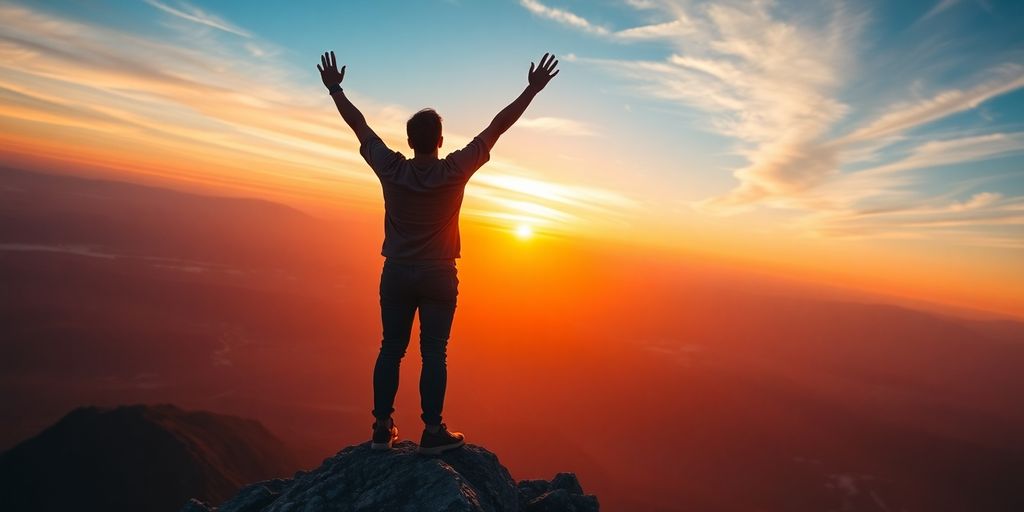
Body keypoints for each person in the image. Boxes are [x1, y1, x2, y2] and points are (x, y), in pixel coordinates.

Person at [317, 50, 560, 454]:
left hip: (396, 272)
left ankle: (381, 429)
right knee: (434, 353)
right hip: (439, 275)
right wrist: (531, 90)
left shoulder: (391, 169)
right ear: (440, 141)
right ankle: (432, 432)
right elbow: (497, 126)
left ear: (410, 141)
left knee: (390, 349)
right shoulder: (454, 170)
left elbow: (359, 126)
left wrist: (336, 89)